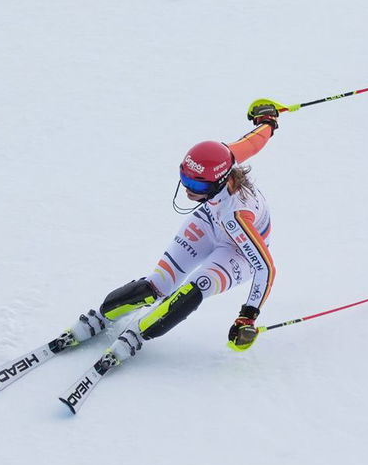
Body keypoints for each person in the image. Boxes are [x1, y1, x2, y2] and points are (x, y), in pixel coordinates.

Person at [63, 99, 283, 375]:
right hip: (209, 222)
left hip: (238, 251)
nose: (189, 191)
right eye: (185, 179)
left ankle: (138, 335)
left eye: (197, 185)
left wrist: (247, 316)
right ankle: (102, 315)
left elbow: (265, 266)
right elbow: (254, 142)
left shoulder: (238, 217)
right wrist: (268, 122)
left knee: (196, 287)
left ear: (218, 180)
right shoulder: (225, 156)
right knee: (157, 284)